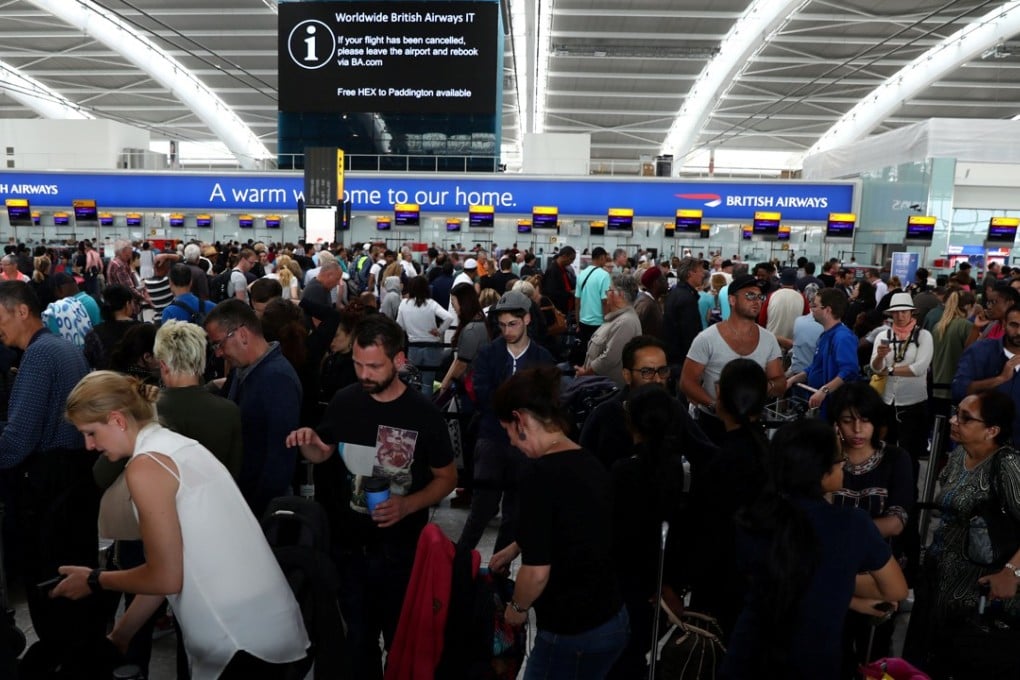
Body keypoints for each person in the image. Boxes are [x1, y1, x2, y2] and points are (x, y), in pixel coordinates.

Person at [55, 371, 308, 679]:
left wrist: (95, 579)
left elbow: (165, 578)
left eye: (91, 432)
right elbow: (167, 568)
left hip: (238, 640)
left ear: (118, 420)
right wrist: (121, 635)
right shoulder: (176, 446)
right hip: (264, 626)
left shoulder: (147, 467)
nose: (88, 446)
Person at [285, 314, 456, 679]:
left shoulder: (423, 414)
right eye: (358, 364)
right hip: (347, 552)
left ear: (398, 361)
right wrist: (311, 446)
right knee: (355, 647)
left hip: (400, 555)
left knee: (400, 643)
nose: (364, 375)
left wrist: (408, 504)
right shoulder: (346, 401)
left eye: (374, 367)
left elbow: (447, 478)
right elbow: (325, 451)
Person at [722, 419, 908, 678]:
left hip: (746, 658)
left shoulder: (752, 518)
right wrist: (840, 580)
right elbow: (895, 589)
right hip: (812, 663)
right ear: (822, 472)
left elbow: (783, 584)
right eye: (839, 459)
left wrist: (846, 595)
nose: (844, 463)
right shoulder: (850, 525)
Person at [489, 366, 629, 678]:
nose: (511, 442)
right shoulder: (585, 459)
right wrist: (515, 547)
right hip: (610, 616)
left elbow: (536, 573)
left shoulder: (538, 474)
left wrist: (517, 610)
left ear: (521, 420)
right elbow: (569, 520)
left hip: (573, 629)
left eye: (509, 432)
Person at [0, 281, 107, 676]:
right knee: (71, 575)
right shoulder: (61, 347)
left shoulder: (39, 355)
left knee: (50, 583)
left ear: (20, 311)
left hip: (48, 486)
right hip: (73, 480)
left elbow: (18, 440)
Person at [904, 391, 1020, 677]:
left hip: (979, 593)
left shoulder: (1007, 465)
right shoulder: (958, 456)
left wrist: (1011, 572)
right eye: (957, 413)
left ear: (992, 430)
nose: (954, 421)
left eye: (966, 418)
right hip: (937, 582)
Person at [827, 382, 915, 677]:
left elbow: (897, 521)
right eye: (847, 420)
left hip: (880, 579)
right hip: (832, 578)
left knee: (875, 660)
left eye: (864, 420)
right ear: (835, 422)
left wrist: (840, 533)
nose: (856, 430)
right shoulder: (826, 461)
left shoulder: (895, 459)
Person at [457, 290, 556, 552]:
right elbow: (481, 392)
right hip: (493, 436)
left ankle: (498, 576)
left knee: (515, 513)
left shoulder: (542, 358)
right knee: (482, 508)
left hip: (525, 442)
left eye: (512, 324)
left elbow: (547, 401)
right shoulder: (489, 353)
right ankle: (461, 561)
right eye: (502, 325)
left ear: (527, 320)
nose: (507, 330)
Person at [683, 358, 771, 640]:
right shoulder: (771, 453)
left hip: (722, 584)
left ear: (720, 398)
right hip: (763, 583)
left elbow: (703, 530)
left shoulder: (721, 462)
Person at [606, 383, 686, 679]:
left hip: (629, 583)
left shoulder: (624, 471)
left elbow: (619, 535)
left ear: (631, 422)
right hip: (662, 583)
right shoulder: (676, 469)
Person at [205, 299, 301, 516]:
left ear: (242, 335)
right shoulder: (243, 370)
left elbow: (280, 459)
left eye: (219, 344)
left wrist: (256, 512)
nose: (218, 353)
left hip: (259, 508)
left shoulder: (277, 379)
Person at [681, 274, 785, 440]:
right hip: (713, 423)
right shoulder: (707, 338)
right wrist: (715, 406)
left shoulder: (768, 339)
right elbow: (687, 382)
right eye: (750, 295)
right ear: (732, 300)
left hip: (751, 424)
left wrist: (764, 387)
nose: (757, 301)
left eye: (760, 296)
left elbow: (780, 381)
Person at [870, 292, 934, 480]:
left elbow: (919, 368)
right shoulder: (884, 334)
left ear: (911, 313)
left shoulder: (924, 336)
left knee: (910, 455)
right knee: (883, 451)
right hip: (887, 402)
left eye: (904, 311)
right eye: (896, 312)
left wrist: (888, 370)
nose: (900, 316)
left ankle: (909, 499)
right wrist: (881, 357)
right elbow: (875, 367)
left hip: (913, 403)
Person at [953, 305, 1020, 446]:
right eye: (1014, 325)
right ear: (1003, 325)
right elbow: (958, 391)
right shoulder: (980, 351)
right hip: (980, 447)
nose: (1019, 332)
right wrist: (999, 379)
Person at [786, 287, 859, 412]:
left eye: (815, 306)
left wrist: (824, 390)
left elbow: (849, 371)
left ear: (827, 310)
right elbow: (815, 367)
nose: (811, 310)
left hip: (833, 405)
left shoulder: (842, 337)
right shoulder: (824, 335)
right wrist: (793, 379)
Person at [574, 273, 642, 387]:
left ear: (619, 295)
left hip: (605, 388)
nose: (606, 295)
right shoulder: (616, 318)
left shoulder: (625, 322)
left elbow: (609, 359)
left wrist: (585, 373)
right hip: (598, 383)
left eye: (609, 290)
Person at [396, 275, 455, 395]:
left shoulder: (404, 304)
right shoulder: (431, 303)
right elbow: (449, 317)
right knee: (428, 383)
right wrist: (440, 330)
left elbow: (399, 325)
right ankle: (427, 409)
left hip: (413, 347)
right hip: (432, 347)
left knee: (413, 381)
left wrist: (410, 329)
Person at [931, 289, 979, 417]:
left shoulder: (938, 327)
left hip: (936, 386)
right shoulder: (966, 326)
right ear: (968, 306)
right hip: (956, 388)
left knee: (938, 429)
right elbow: (972, 353)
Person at [83, 284, 141, 370]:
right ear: (127, 304)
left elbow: (89, 361)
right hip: (137, 381)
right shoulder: (141, 329)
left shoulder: (95, 333)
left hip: (107, 381)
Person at [662, 256, 705, 365]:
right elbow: (689, 334)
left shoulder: (675, 292)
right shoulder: (687, 299)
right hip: (682, 359)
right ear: (690, 273)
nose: (703, 274)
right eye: (700, 271)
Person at [574, 247, 612, 359]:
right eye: (605, 258)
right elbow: (605, 301)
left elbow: (577, 300)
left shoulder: (582, 274)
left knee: (584, 352)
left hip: (583, 322)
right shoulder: (604, 275)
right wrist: (607, 322)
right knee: (596, 355)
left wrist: (577, 323)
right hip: (598, 323)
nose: (606, 261)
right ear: (601, 258)